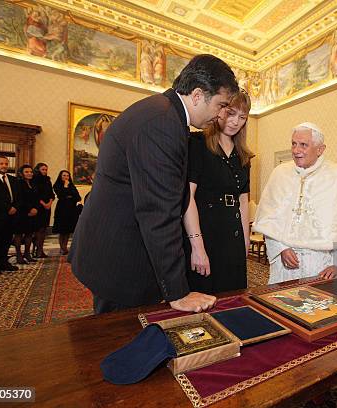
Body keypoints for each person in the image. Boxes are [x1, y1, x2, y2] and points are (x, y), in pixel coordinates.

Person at [70, 54, 238, 314]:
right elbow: (158, 212)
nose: (220, 116)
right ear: (197, 95)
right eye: (220, 105)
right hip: (119, 257)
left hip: (119, 247)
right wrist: (177, 292)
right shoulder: (161, 123)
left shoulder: (164, 113)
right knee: (120, 341)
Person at [253, 122, 337, 284]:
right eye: (294, 144)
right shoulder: (279, 174)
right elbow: (268, 219)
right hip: (285, 265)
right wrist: (281, 248)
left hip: (321, 265)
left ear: (320, 149)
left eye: (303, 145)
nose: (296, 150)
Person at [184, 89, 254, 294]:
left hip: (232, 237)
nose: (236, 121)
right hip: (205, 234)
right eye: (231, 113)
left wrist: (245, 240)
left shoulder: (244, 157)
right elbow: (187, 199)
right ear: (220, 109)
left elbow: (242, 201)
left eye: (242, 117)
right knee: (202, 297)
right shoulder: (197, 144)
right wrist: (197, 247)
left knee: (232, 298)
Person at [13, 165, 39, 264]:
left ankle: (27, 254)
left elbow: (37, 197)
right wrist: (29, 209)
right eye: (27, 172)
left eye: (31, 172)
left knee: (29, 234)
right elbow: (20, 198)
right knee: (19, 234)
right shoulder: (19, 183)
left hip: (33, 213)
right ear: (21, 173)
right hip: (21, 212)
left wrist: (36, 208)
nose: (30, 173)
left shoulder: (33, 183)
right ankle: (19, 255)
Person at [52, 170, 81, 255]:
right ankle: (62, 248)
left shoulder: (71, 185)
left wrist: (69, 194)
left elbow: (78, 197)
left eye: (67, 176)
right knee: (62, 229)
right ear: (60, 176)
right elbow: (61, 195)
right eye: (64, 175)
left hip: (71, 209)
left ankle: (65, 246)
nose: (66, 177)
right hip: (62, 208)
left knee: (68, 229)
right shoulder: (57, 185)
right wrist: (65, 186)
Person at [32, 163, 54, 258]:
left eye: (46, 169)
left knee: (44, 229)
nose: (45, 171)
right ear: (38, 170)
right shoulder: (34, 179)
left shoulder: (48, 180)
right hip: (39, 207)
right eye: (43, 169)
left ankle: (40, 250)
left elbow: (51, 194)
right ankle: (36, 250)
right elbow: (36, 194)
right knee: (38, 229)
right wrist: (44, 204)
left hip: (47, 208)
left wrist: (49, 202)